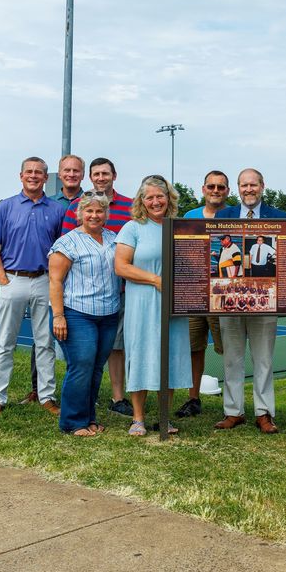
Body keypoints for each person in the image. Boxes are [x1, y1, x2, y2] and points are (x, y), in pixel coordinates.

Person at [0, 157, 64, 417]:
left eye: (38, 172)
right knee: (5, 342)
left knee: (45, 342)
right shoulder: (5, 207)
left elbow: (62, 249)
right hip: (13, 279)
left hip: (44, 281)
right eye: (28, 172)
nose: (33, 176)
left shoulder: (57, 210)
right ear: (20, 176)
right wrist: (3, 280)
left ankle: (47, 396)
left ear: (45, 177)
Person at [114, 175, 192, 437]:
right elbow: (121, 266)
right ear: (142, 201)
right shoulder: (133, 227)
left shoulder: (179, 227)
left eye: (160, 196)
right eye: (150, 197)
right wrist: (155, 279)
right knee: (142, 355)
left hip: (174, 304)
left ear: (169, 198)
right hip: (143, 302)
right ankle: (138, 418)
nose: (156, 201)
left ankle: (163, 417)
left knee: (169, 356)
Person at [213, 168, 286, 434]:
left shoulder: (279, 217)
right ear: (238, 188)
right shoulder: (224, 216)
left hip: (264, 297)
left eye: (253, 185)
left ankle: (263, 412)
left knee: (264, 358)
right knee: (232, 358)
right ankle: (233, 411)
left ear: (262, 186)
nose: (248, 190)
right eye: (244, 185)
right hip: (230, 296)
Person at [61, 157, 134, 418]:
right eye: (96, 174)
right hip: (81, 299)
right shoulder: (76, 207)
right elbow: (67, 247)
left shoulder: (129, 206)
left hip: (119, 292)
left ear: (114, 175)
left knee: (115, 347)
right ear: (90, 177)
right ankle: (75, 414)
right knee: (83, 360)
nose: (101, 177)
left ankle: (117, 397)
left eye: (106, 173)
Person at [48, 191, 120, 436]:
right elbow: (55, 281)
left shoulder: (113, 239)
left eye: (99, 211)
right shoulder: (67, 242)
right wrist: (58, 316)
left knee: (96, 367)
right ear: (80, 214)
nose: (94, 215)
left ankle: (89, 417)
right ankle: (72, 422)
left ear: (106, 214)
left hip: (109, 314)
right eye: (89, 211)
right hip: (77, 313)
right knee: (81, 365)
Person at [23, 153, 85, 406]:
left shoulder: (89, 202)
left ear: (82, 174)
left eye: (76, 171)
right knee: (43, 335)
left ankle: (79, 393)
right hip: (52, 278)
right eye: (66, 170)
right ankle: (38, 390)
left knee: (80, 338)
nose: (71, 174)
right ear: (59, 174)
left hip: (81, 279)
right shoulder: (50, 204)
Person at [176, 170, 229, 419]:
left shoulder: (233, 216)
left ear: (227, 191)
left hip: (225, 294)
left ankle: (233, 402)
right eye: (211, 186)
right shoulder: (190, 216)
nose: (216, 191)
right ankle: (193, 398)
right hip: (194, 293)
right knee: (193, 348)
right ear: (203, 189)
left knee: (228, 349)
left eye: (220, 187)